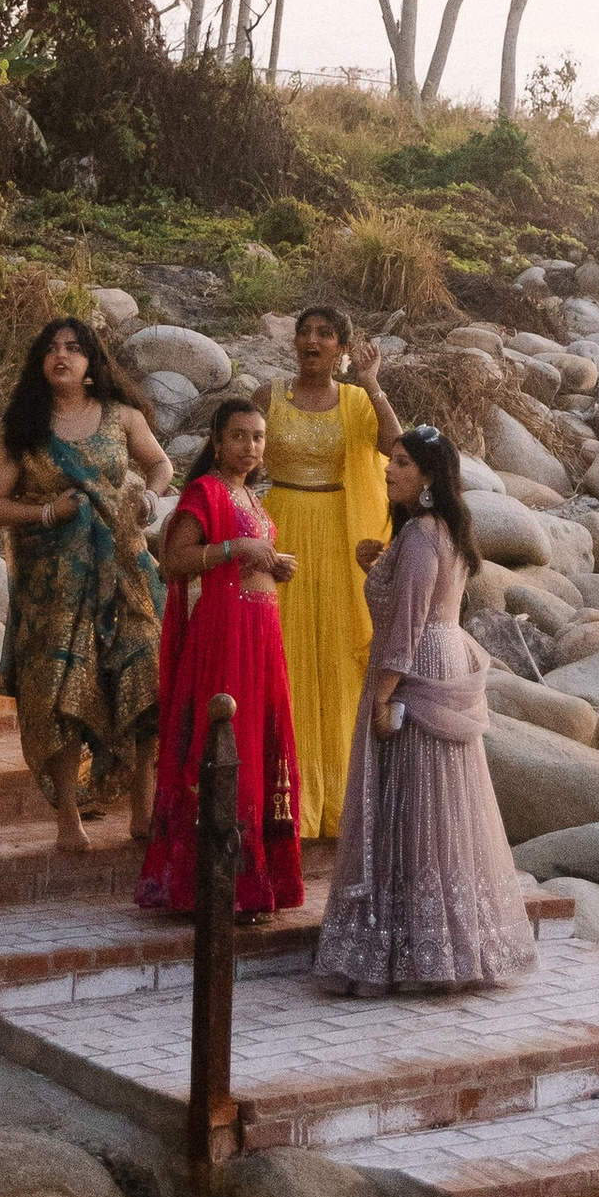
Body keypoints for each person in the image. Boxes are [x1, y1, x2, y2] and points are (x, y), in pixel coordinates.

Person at [316, 422, 537, 995]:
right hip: (444, 651)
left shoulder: (419, 535)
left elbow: (406, 624)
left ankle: (404, 946)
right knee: (441, 802)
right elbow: (422, 599)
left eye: (402, 464)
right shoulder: (444, 531)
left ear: (429, 477)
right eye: (391, 461)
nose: (389, 471)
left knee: (411, 798)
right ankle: (449, 941)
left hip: (416, 663)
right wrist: (378, 567)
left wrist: (385, 693)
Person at [0, 316, 173, 856]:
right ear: (41, 363)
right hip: (52, 586)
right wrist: (45, 511)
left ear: (91, 364)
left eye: (74, 348)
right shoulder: (22, 430)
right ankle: (68, 817)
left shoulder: (122, 416)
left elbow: (160, 464)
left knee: (143, 675)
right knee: (60, 691)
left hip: (125, 572)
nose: (61, 356)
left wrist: (151, 497)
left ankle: (143, 809)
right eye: (52, 349)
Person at [138, 393, 305, 921]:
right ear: (216, 441)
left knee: (256, 747)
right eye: (239, 436)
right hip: (224, 636)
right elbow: (173, 560)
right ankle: (213, 884)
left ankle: (252, 882)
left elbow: (245, 557)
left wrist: (271, 566)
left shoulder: (251, 498)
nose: (250, 446)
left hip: (260, 633)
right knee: (227, 749)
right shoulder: (206, 491)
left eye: (258, 437)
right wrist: (236, 551)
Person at [264, 302, 402, 836]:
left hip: (339, 537)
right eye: (305, 332)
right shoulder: (268, 397)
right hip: (279, 528)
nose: (312, 341)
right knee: (280, 650)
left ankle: (336, 799)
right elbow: (233, 454)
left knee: (336, 657)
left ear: (343, 348)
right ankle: (280, 797)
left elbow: (393, 448)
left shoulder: (355, 400)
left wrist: (372, 383)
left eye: (325, 334)